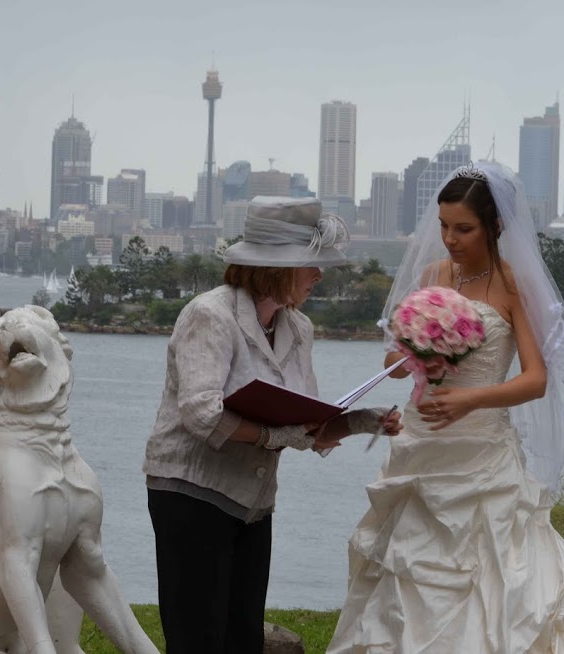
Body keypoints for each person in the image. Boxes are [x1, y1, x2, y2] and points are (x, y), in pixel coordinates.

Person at [327, 162, 564, 653]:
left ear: (495, 226)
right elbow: (395, 361)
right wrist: (417, 358)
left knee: (494, 574)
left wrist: (471, 400)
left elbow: (536, 379)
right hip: (423, 443)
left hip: (481, 451)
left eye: (463, 228)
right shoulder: (434, 275)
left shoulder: (512, 284)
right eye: (443, 226)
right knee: (407, 569)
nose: (449, 239)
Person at [143, 196, 403, 654]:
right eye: (310, 265)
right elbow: (201, 413)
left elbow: (306, 424)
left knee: (243, 638)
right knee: (198, 639)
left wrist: (366, 421)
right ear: (277, 269)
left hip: (253, 501)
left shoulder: (299, 328)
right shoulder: (210, 314)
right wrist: (271, 435)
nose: (319, 275)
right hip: (190, 492)